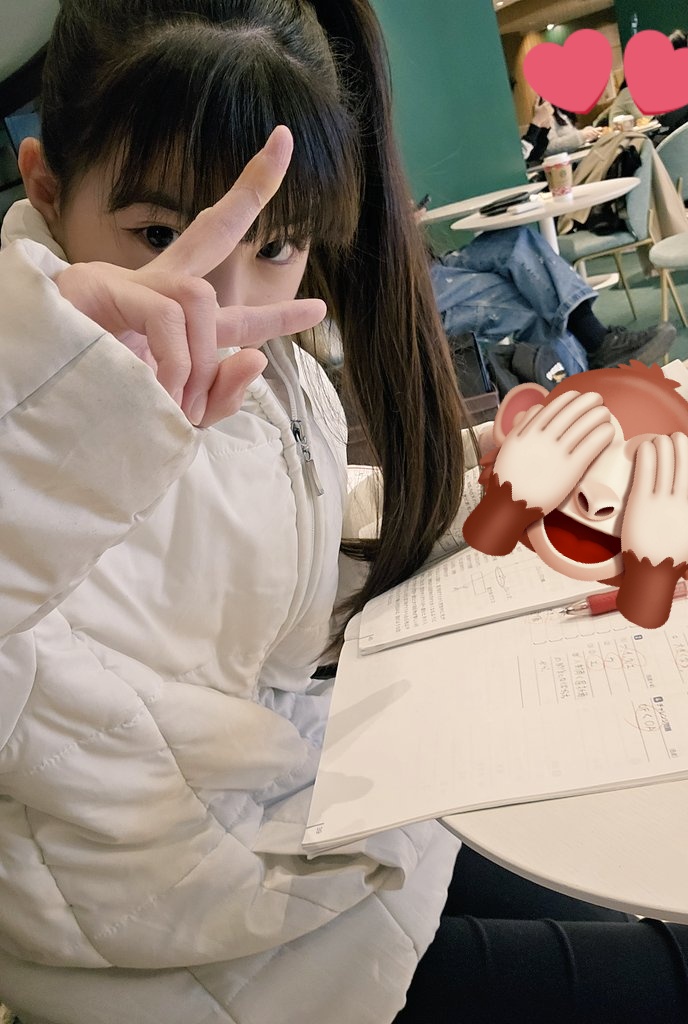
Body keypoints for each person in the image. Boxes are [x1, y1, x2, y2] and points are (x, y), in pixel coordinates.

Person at [1, 4, 688, 1024]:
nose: (222, 299)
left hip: (296, 814)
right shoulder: (28, 378)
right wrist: (52, 427)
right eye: (160, 234)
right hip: (173, 939)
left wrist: (482, 477)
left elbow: (260, 546)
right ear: (48, 186)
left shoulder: (274, 364)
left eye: (277, 243)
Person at [430, 224, 676, 383]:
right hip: (420, 292)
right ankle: (593, 353)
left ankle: (594, 350)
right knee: (533, 297)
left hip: (433, 264)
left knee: (516, 238)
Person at [521, 98, 602, 165]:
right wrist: (581, 136)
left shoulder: (561, 111)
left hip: (571, 161)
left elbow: (538, 151)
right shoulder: (546, 110)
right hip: (560, 166)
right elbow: (547, 149)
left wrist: (585, 133)